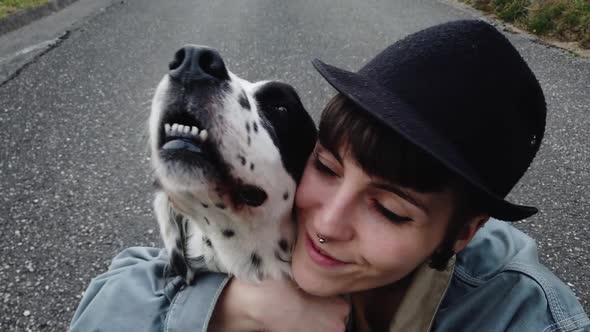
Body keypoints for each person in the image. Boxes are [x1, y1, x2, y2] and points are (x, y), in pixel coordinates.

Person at [70, 20, 589, 331]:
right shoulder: (266, 228)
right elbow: (113, 298)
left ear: (461, 233)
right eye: (325, 166)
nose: (328, 223)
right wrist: (235, 309)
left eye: (389, 210)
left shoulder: (520, 314)